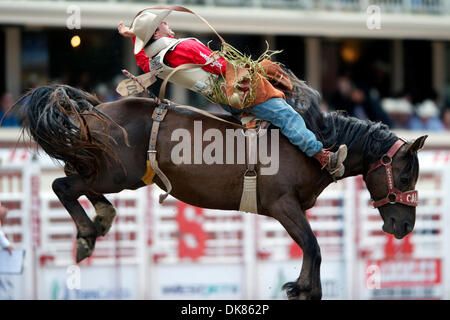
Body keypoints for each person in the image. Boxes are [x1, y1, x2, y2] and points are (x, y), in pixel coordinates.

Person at [117, 9, 347, 178]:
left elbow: (142, 58)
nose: (166, 23)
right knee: (287, 114)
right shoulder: (184, 47)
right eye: (162, 23)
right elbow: (221, 67)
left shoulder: (154, 61)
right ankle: (322, 157)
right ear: (157, 33)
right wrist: (248, 69)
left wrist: (135, 36)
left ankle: (249, 120)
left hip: (222, 99)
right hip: (235, 90)